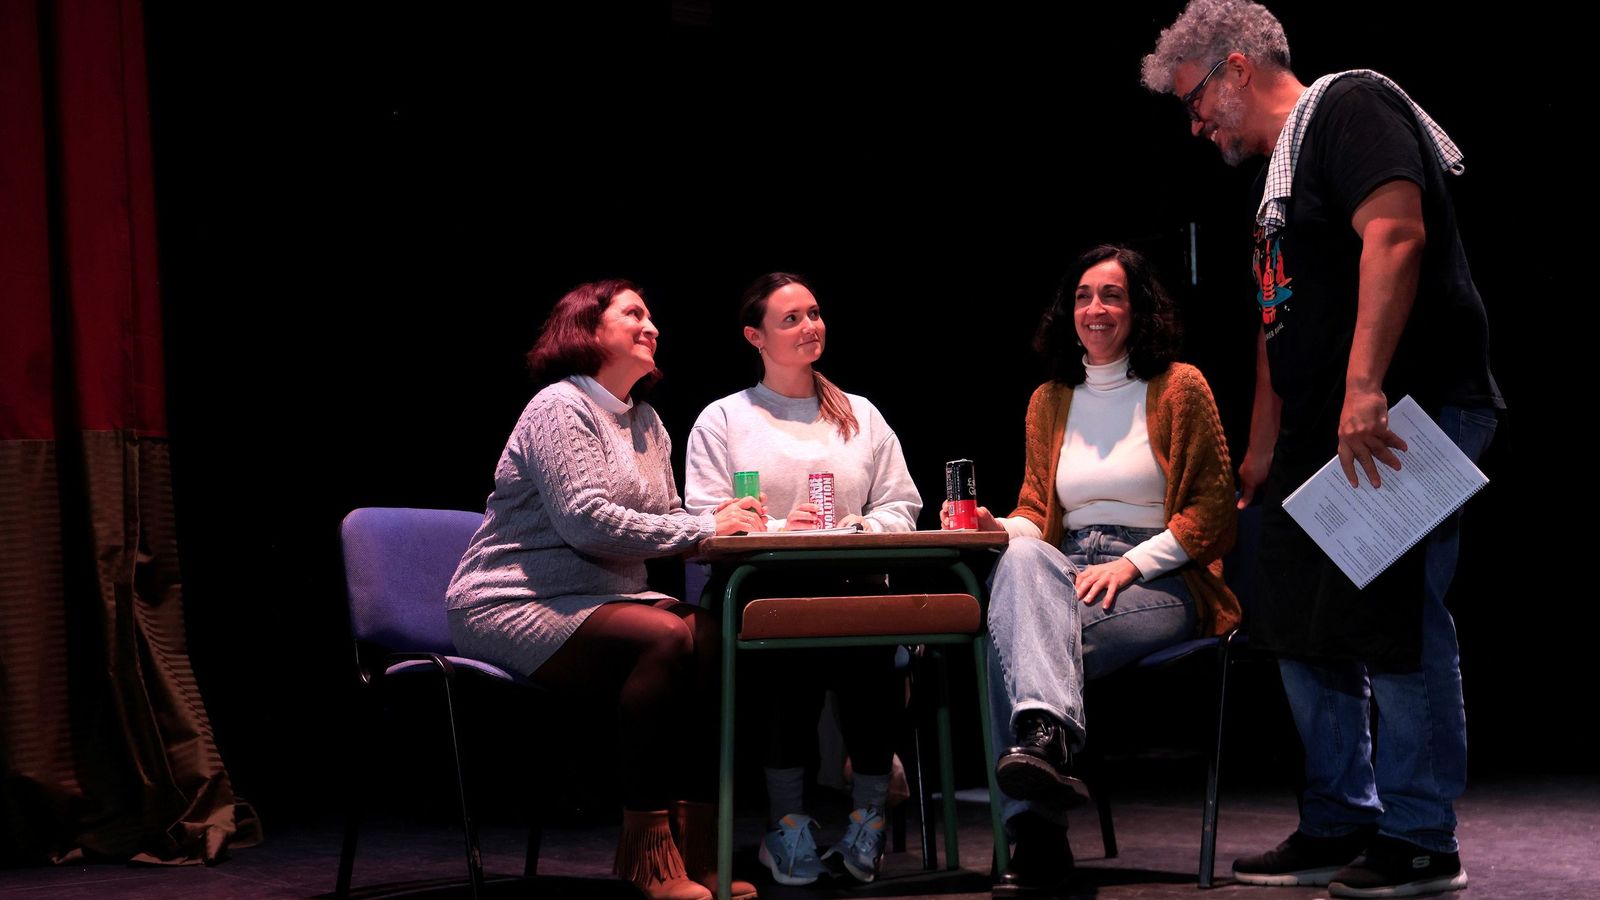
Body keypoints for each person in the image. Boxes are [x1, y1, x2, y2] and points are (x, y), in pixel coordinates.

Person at [1142, 3, 1503, 896]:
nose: (1196, 125)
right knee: (1298, 625)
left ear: (1234, 69)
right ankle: (1343, 815)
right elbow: (1278, 329)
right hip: (1318, 435)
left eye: (1195, 101)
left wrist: (1364, 386)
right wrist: (1260, 454)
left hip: (1399, 414)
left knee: (1398, 623)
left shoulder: (1350, 107)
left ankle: (1423, 836)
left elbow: (1397, 234)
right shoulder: (1277, 187)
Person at [445, 279, 764, 900]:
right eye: (634, 314)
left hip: (603, 598)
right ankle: (650, 858)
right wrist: (702, 526)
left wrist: (750, 525)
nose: (652, 326)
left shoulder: (647, 421)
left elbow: (670, 525)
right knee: (668, 639)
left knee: (719, 638)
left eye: (652, 316)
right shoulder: (558, 408)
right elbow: (584, 520)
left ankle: (698, 847)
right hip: (511, 601)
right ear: (588, 331)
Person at [954, 245, 1241, 897]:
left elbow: (1213, 511)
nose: (1096, 308)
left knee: (1008, 643)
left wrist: (1135, 564)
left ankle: (1038, 836)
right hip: (1066, 568)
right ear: (1068, 311)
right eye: (1084, 296)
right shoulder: (1049, 399)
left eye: (1112, 295)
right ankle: (1043, 742)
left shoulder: (1179, 386)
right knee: (1021, 560)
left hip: (1162, 576)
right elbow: (1036, 512)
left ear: (1139, 309)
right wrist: (993, 529)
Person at [684, 272, 922, 887]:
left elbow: (902, 503)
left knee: (870, 642)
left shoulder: (860, 415)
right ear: (754, 336)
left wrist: (862, 529)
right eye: (790, 319)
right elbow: (703, 521)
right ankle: (786, 825)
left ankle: (866, 818)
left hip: (855, 583)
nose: (810, 326)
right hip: (765, 591)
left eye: (814, 313)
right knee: (788, 653)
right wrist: (773, 529)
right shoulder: (725, 419)